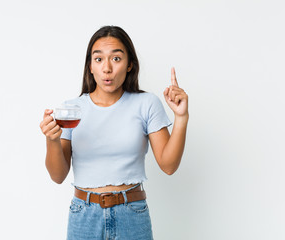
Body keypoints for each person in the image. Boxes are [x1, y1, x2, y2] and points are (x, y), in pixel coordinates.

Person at [39, 25, 188, 240]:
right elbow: (57, 176)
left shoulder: (146, 103)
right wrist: (51, 141)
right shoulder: (71, 109)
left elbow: (169, 165)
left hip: (132, 214)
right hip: (84, 216)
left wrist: (181, 118)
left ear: (129, 65)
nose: (107, 68)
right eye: (98, 59)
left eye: (116, 59)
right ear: (90, 66)